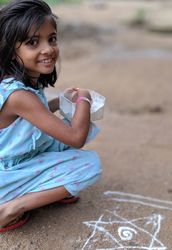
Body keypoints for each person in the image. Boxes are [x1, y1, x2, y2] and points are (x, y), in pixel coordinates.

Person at [0, 0, 102, 232]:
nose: (48, 49)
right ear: (10, 50)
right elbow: (75, 137)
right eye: (33, 42)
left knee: (73, 125)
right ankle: (10, 208)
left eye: (52, 39)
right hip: (7, 173)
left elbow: (30, 115)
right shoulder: (17, 95)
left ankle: (46, 190)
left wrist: (58, 102)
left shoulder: (22, 83)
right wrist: (84, 98)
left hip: (16, 158)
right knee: (89, 164)